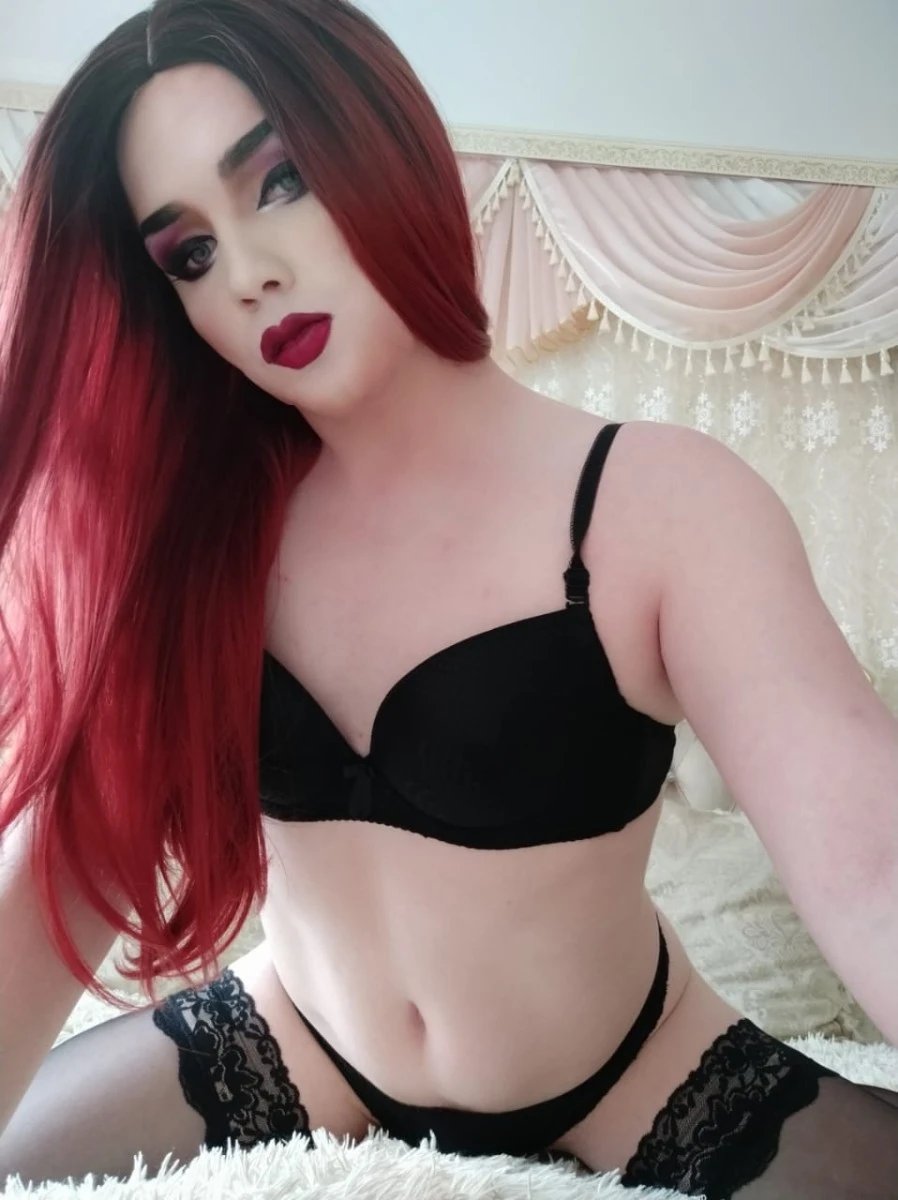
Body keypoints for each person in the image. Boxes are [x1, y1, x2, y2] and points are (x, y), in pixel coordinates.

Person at [0, 2, 896, 1195]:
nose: (252, 274)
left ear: (384, 144)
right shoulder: (200, 537)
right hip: (291, 1042)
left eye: (279, 182)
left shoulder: (657, 504)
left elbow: (873, 869)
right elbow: (62, 869)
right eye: (190, 254)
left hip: (639, 1074)